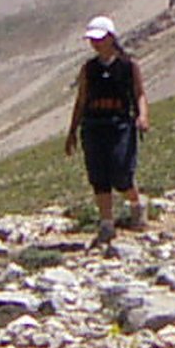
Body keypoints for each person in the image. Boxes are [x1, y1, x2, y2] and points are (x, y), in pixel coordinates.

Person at [63, 16, 148, 247]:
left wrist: (143, 116)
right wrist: (72, 131)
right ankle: (106, 223)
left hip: (120, 123)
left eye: (99, 39)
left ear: (111, 38)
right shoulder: (88, 69)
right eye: (92, 40)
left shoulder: (129, 66)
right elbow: (81, 101)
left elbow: (139, 93)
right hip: (93, 125)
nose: (95, 44)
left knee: (121, 171)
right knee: (98, 176)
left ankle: (136, 204)